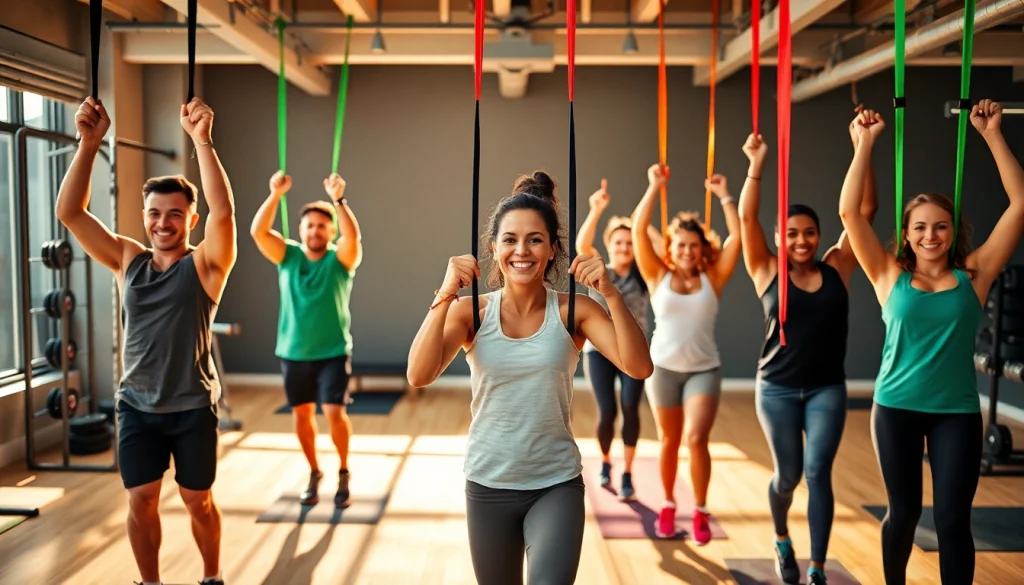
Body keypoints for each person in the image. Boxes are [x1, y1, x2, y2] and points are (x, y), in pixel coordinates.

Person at [407, 171, 653, 585]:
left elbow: (639, 367)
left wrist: (610, 292)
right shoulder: (471, 312)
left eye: (535, 240)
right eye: (510, 239)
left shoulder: (576, 311)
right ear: (494, 247)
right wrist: (445, 293)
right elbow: (418, 374)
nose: (521, 250)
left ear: (553, 248)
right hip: (488, 482)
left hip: (555, 483)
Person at [839, 101, 1023, 585]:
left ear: (953, 230)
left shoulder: (975, 274)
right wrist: (864, 145)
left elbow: (1021, 204)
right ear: (906, 234)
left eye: (941, 225)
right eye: (919, 226)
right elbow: (849, 212)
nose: (930, 235)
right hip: (895, 408)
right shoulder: (887, 274)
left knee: (952, 521)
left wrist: (992, 135)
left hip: (956, 413)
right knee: (902, 513)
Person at [56, 96, 235, 585]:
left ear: (190, 220)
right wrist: (89, 144)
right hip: (136, 406)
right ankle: (150, 583)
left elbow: (223, 213)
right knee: (141, 499)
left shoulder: (206, 265)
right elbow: (70, 212)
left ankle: (212, 576)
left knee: (197, 501)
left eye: (175, 214)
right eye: (155, 213)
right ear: (144, 216)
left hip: (192, 406)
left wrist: (202, 141)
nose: (163, 223)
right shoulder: (127, 259)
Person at [737, 115, 878, 584]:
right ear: (780, 237)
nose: (801, 240)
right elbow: (746, 219)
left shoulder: (839, 265)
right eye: (792, 233)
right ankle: (781, 537)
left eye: (809, 232)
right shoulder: (765, 269)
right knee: (788, 476)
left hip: (826, 389)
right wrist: (756, 165)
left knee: (818, 473)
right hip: (776, 389)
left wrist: (863, 147)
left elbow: (865, 211)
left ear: (819, 235)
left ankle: (817, 565)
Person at [630, 163, 742, 544]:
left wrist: (725, 196)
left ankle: (700, 509)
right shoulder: (656, 275)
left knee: (696, 439)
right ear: (670, 247)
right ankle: (667, 504)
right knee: (669, 440)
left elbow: (737, 237)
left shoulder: (714, 278)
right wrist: (653, 187)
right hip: (663, 369)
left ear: (702, 248)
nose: (687, 251)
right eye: (680, 245)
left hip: (703, 369)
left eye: (694, 245)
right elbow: (638, 229)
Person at [250, 170, 362, 507]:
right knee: (301, 416)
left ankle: (343, 470)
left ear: (331, 231)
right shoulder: (288, 256)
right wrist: (275, 195)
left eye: (322, 226)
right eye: (310, 226)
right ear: (301, 230)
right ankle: (314, 471)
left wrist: (339, 200)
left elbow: (353, 237)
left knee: (333, 412)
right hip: (293, 352)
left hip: (332, 352)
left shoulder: (340, 260)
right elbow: (258, 231)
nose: (315, 230)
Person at [575, 179, 661, 500]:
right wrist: (596, 210)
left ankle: (627, 471)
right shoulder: (599, 272)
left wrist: (642, 226)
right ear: (609, 246)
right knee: (607, 412)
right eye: (618, 242)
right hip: (599, 353)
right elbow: (583, 245)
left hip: (632, 353)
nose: (624, 248)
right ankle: (606, 463)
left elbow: (662, 247)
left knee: (630, 408)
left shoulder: (643, 274)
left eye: (629, 243)